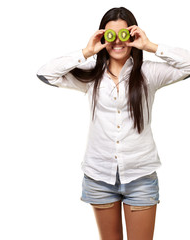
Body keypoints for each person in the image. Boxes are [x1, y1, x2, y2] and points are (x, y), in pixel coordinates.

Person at [37, 7, 190, 240]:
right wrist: (87, 52)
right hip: (99, 177)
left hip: (140, 176)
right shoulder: (90, 75)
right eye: (111, 35)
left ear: (133, 35)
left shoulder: (148, 73)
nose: (118, 41)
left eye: (124, 35)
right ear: (102, 37)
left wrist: (150, 46)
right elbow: (46, 73)